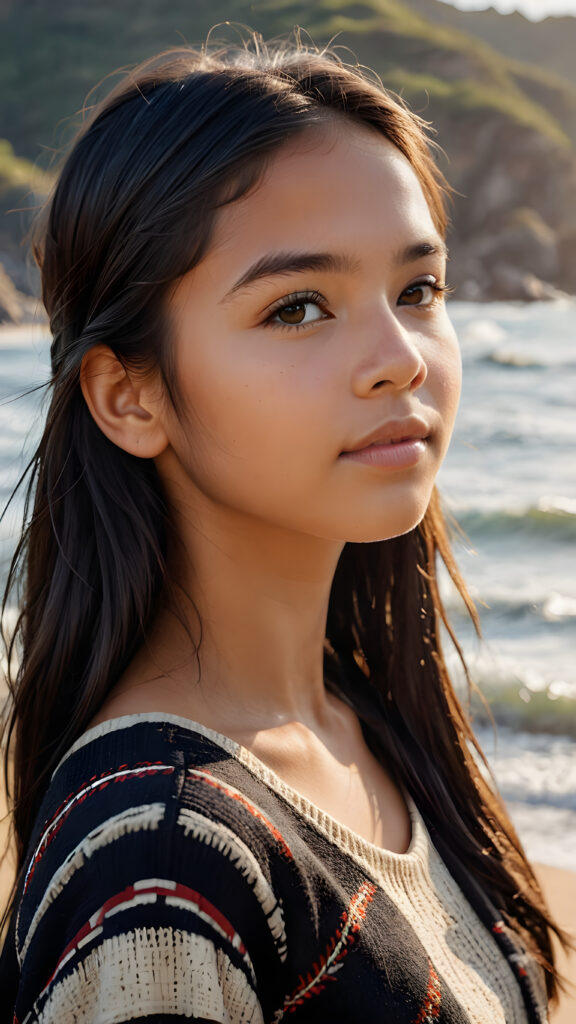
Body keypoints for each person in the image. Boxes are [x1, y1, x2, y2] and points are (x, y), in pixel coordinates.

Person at [0, 27, 569, 1023]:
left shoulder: (364, 725)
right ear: (129, 396)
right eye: (299, 308)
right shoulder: (161, 865)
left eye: (417, 290)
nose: (402, 357)